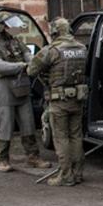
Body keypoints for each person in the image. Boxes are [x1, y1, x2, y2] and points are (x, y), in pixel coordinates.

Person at [0, 11, 50, 172]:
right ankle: (3, 159)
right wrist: (23, 66)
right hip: (3, 87)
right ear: (0, 27)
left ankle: (33, 156)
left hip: (21, 86)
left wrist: (33, 63)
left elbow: (28, 55)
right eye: (7, 25)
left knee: (28, 123)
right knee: (5, 125)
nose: (12, 28)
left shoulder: (15, 41)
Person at [28, 18, 89, 186]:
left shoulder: (51, 51)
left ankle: (66, 176)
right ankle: (77, 174)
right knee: (76, 136)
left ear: (55, 32)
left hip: (59, 101)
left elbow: (31, 70)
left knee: (61, 138)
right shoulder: (82, 48)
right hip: (77, 99)